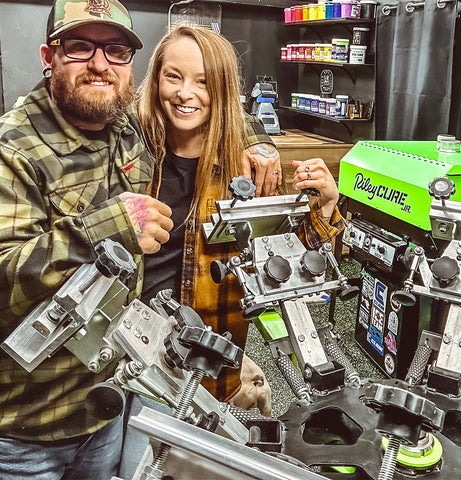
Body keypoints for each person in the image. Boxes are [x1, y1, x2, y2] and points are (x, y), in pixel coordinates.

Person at [0, 0, 280, 478]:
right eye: (80, 47)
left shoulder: (123, 126)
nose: (99, 64)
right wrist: (108, 228)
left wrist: (259, 142)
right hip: (32, 421)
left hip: (113, 391)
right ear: (49, 56)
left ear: (129, 66)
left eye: (114, 51)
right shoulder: (15, 149)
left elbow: (204, 110)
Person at [136, 25, 344, 415]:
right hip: (133, 354)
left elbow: (287, 262)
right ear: (156, 78)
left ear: (224, 90)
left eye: (204, 82)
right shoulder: (129, 151)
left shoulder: (245, 168)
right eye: (173, 77)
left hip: (208, 362)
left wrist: (326, 205)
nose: (185, 94)